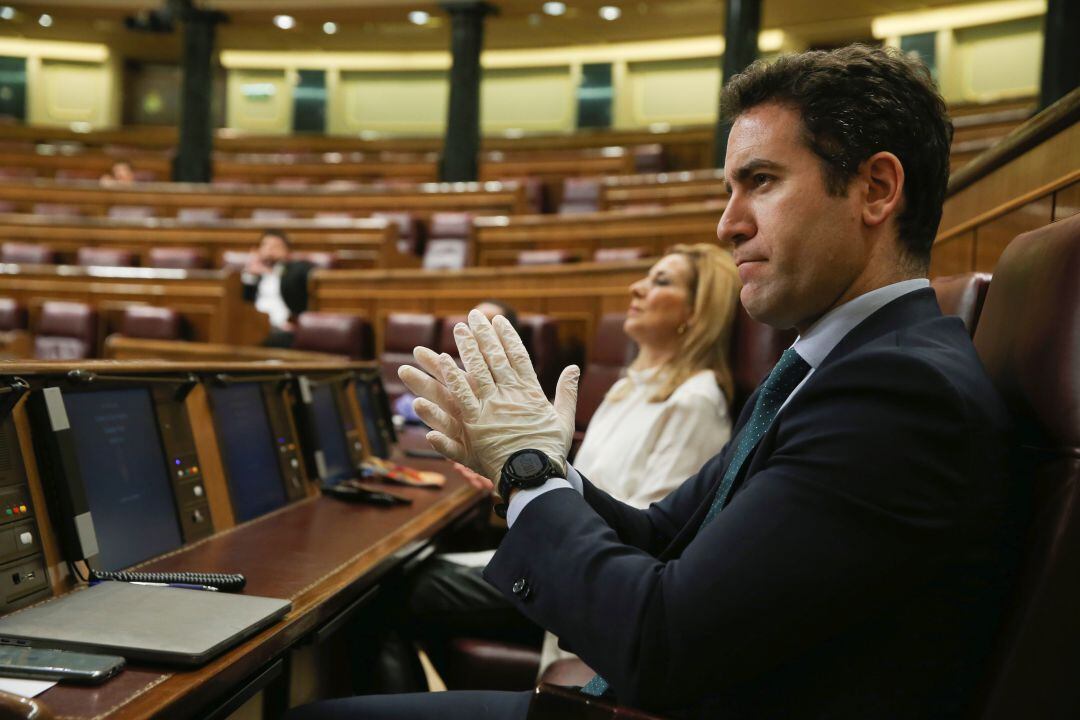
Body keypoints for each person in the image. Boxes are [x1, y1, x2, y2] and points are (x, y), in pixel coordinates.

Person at [288, 44, 1022, 720]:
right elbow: (662, 533)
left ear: (876, 189)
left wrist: (529, 473)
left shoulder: (896, 393)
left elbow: (663, 645)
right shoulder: (838, 367)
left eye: (760, 182)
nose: (728, 224)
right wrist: (535, 468)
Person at [375, 245, 739, 693]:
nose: (637, 287)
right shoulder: (629, 386)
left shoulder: (695, 402)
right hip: (560, 548)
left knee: (389, 591)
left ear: (697, 311)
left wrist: (528, 476)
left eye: (662, 281)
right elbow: (583, 487)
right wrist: (511, 476)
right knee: (401, 578)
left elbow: (655, 538)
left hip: (586, 576)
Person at [393, 300, 519, 423]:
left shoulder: (516, 376)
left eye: (486, 322)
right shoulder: (451, 364)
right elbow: (406, 403)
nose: (476, 328)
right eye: (472, 322)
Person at [240, 229, 314, 347]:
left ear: (287, 251)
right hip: (255, 325)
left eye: (275, 246)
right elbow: (243, 302)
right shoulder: (252, 274)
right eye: (265, 245)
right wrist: (251, 274)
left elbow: (308, 272)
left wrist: (274, 271)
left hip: (283, 327)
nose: (269, 250)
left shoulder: (296, 270)